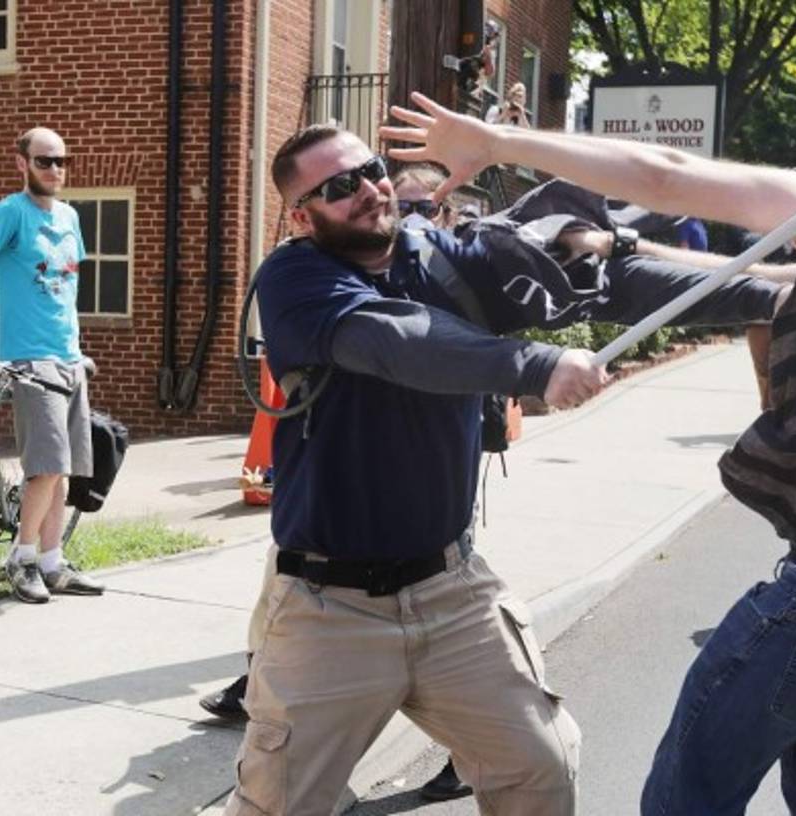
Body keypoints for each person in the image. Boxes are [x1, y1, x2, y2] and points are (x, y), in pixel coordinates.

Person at [385, 59, 796, 814]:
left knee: (686, 800)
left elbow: (671, 175)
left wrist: (497, 141)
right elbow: (756, 278)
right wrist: (621, 253)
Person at [223, 124, 606, 816]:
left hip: (453, 592)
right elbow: (396, 340)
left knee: (540, 766)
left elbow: (592, 270)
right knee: (275, 807)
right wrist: (536, 365)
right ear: (302, 216)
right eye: (338, 187)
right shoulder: (295, 279)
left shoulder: (438, 257)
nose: (368, 189)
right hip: (328, 607)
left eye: (370, 169)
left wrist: (777, 291)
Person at [0, 127, 103, 604]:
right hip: (30, 357)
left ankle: (53, 563)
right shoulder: (9, 213)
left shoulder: (70, 216)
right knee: (46, 466)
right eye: (45, 160)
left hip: (68, 357)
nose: (55, 169)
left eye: (61, 161)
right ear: (22, 164)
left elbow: (66, 291)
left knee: (64, 470)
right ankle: (21, 558)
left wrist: (78, 348)